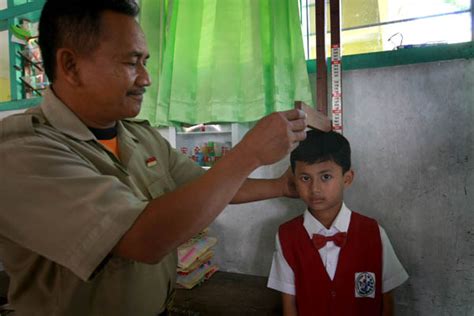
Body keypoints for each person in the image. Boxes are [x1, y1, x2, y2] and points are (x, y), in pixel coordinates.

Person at [0, 0, 308, 315]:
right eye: (132, 62)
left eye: (145, 61)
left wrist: (281, 186)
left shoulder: (138, 136)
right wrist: (249, 153)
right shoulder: (22, 152)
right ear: (70, 66)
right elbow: (142, 240)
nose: (146, 79)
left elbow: (208, 185)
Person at [267, 130, 409, 316]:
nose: (314, 188)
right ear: (294, 180)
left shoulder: (373, 232)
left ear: (347, 179)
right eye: (305, 178)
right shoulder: (286, 235)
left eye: (325, 177)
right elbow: (289, 305)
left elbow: (387, 301)